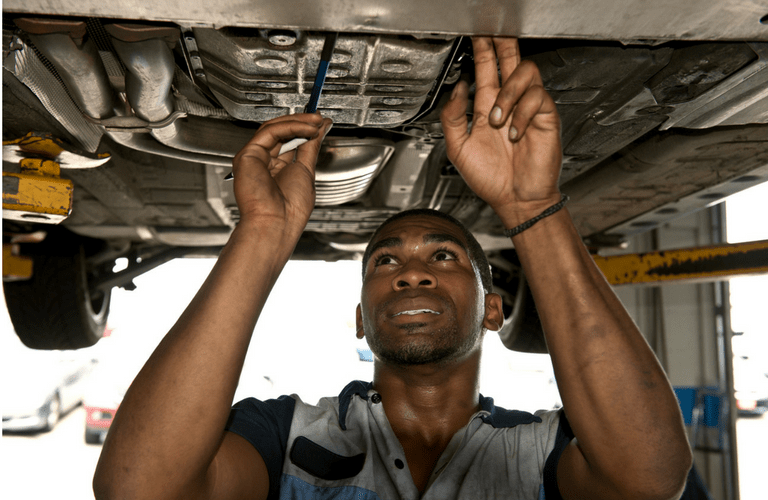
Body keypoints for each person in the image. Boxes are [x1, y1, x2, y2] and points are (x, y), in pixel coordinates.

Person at [92, 37, 692, 500]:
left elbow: (650, 478)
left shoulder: (537, 449)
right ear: (361, 319)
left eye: (443, 255)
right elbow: (142, 488)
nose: (411, 272)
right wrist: (262, 233)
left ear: (494, 309)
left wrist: (531, 206)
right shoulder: (286, 436)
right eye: (385, 261)